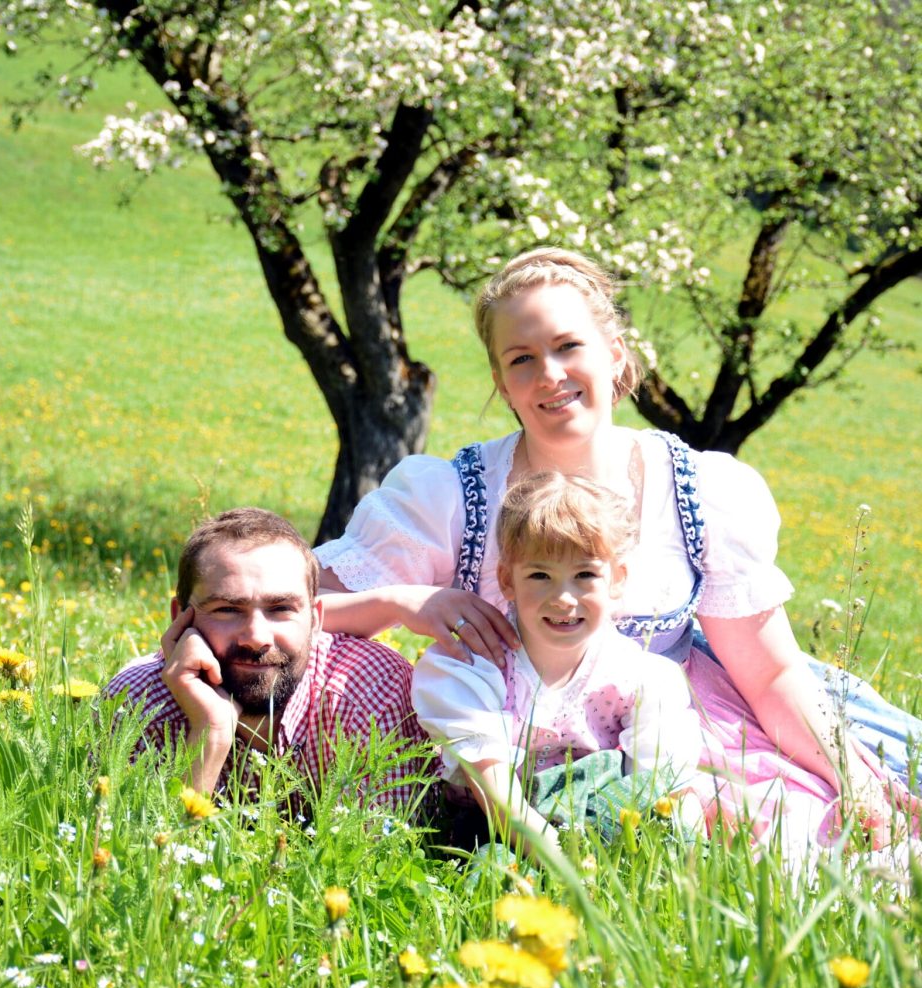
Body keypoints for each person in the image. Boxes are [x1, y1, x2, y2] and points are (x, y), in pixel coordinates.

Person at [314, 247, 920, 846]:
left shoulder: (698, 492)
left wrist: (850, 779)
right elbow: (295, 610)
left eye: (568, 346)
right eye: (521, 359)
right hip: (501, 765)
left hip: (668, 744)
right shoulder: (454, 496)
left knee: (805, 838)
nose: (549, 374)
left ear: (615, 355)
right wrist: (404, 603)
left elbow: (770, 673)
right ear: (501, 384)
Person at [412, 472, 705, 857]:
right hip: (502, 829)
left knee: (675, 835)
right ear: (507, 581)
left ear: (617, 580)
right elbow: (496, 796)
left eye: (584, 575)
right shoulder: (476, 668)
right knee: (493, 869)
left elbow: (664, 788)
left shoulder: (641, 677)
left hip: (607, 823)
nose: (564, 598)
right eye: (540, 576)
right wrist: (568, 865)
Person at [105, 507, 431, 812]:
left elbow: (376, 863)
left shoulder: (373, 696)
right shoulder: (136, 701)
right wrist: (210, 734)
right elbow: (139, 861)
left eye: (281, 609)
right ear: (180, 618)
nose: (257, 637)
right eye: (228, 609)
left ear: (316, 620)